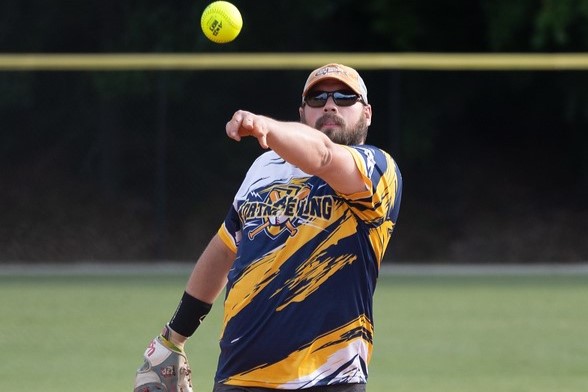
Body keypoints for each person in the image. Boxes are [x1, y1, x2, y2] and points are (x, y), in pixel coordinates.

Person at [134, 63, 403, 392]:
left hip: (326, 380)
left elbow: (324, 157)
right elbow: (224, 248)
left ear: (367, 113)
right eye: (317, 98)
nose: (330, 105)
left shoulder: (376, 169)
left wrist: (266, 127)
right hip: (238, 376)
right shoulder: (265, 167)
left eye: (345, 97)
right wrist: (173, 337)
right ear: (302, 112)